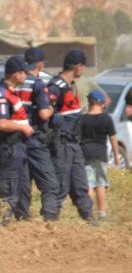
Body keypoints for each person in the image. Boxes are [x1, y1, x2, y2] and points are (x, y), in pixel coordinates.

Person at [47, 50, 96, 224]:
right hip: (61, 144)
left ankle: (90, 219)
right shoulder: (56, 87)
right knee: (60, 186)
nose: (83, 71)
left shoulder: (69, 86)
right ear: (78, 67)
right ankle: (50, 222)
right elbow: (45, 114)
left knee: (80, 185)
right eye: (83, 67)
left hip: (74, 144)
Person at [0, 56, 35, 224]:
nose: (27, 77)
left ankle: (22, 221)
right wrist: (23, 128)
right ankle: (3, 225)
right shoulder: (0, 93)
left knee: (23, 189)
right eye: (24, 73)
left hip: (18, 147)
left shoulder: (11, 92)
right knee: (8, 189)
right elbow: (2, 123)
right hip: (8, 146)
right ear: (16, 74)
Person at [14, 46, 60, 222]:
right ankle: (49, 219)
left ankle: (21, 218)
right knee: (49, 183)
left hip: (16, 139)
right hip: (34, 139)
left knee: (23, 184)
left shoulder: (15, 82)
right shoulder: (37, 84)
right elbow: (42, 114)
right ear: (40, 65)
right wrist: (51, 108)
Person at [80, 90, 121, 220]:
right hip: (100, 153)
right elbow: (113, 139)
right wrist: (116, 156)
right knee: (100, 183)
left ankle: (89, 212)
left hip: (85, 153)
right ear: (102, 104)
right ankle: (102, 212)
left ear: (89, 102)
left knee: (89, 184)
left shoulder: (83, 119)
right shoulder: (106, 118)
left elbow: (78, 138)